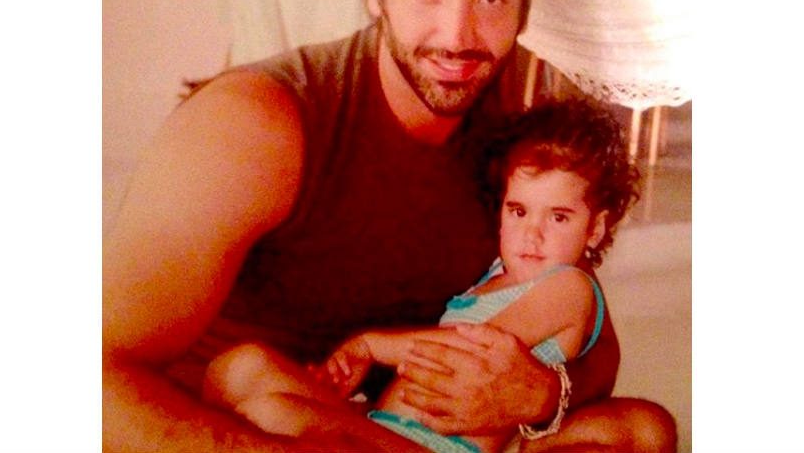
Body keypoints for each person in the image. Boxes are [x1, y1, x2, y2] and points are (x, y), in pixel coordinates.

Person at [102, 0, 677, 451]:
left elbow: (593, 341)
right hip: (254, 425)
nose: (457, 36)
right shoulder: (256, 121)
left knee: (643, 429)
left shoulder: (511, 134)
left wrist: (544, 394)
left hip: (396, 426)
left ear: (524, 7)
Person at [203, 99, 641, 453]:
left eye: (559, 217)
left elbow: (458, 352)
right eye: (518, 210)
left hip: (438, 447)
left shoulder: (568, 288)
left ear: (595, 228)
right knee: (240, 367)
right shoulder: (495, 273)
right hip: (386, 426)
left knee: (272, 415)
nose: (533, 233)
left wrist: (370, 345)